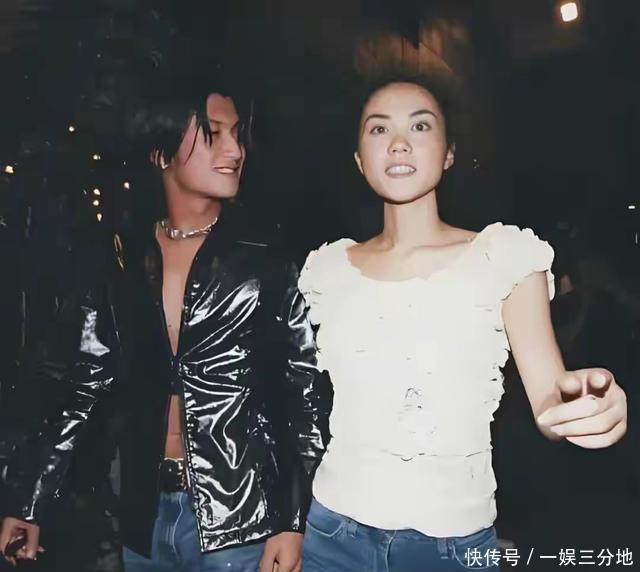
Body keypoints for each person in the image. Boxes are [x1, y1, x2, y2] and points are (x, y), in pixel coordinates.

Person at [0, 81, 333, 572]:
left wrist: (295, 519)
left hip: (245, 523)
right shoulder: (123, 259)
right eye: (213, 134)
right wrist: (29, 500)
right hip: (145, 520)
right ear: (161, 154)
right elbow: (83, 383)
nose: (235, 150)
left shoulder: (268, 259)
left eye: (237, 134)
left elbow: (305, 394)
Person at [299, 75, 627, 571]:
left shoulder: (503, 256)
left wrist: (585, 407)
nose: (399, 142)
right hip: (332, 535)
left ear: (449, 152)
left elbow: (549, 396)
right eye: (379, 129)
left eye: (420, 125)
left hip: (450, 546)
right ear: (360, 159)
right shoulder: (326, 272)